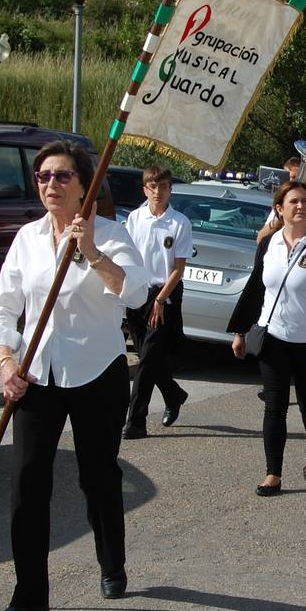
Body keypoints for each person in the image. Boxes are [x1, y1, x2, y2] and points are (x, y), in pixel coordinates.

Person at [0, 140, 148, 611]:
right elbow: (4, 307)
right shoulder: (28, 238)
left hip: (97, 373)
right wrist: (5, 361)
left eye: (61, 177)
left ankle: (111, 561)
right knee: (26, 483)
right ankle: (30, 594)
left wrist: (91, 252)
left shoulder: (113, 235)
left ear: (84, 187)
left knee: (97, 476)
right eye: (42, 176)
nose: (50, 184)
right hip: (37, 374)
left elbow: (135, 292)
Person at [228, 180, 306, 496]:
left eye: (305, 201)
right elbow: (255, 290)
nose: (300, 206)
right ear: (280, 208)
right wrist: (241, 331)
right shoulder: (268, 244)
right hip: (273, 337)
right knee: (275, 407)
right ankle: (273, 474)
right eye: (293, 201)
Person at [122, 166, 192, 439]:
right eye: (152, 187)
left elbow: (178, 268)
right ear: (145, 189)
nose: (157, 192)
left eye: (163, 187)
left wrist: (161, 300)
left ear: (169, 189)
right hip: (137, 291)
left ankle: (135, 422)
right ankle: (174, 394)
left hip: (164, 293)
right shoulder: (134, 219)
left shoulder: (179, 223)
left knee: (148, 358)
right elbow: (127, 258)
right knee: (146, 357)